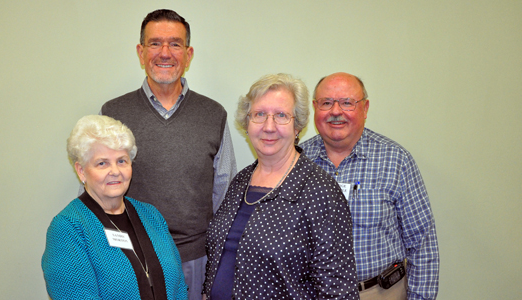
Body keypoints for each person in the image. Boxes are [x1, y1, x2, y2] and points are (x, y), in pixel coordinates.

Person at [99, 9, 236, 300]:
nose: (165, 53)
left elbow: (224, 191)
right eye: (155, 43)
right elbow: (98, 191)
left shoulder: (213, 114)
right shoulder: (113, 114)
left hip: (195, 259)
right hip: (131, 256)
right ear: (140, 52)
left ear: (188, 54)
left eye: (175, 44)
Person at [203, 74, 359, 299]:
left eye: (281, 116)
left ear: (297, 126)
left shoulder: (321, 192)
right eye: (259, 115)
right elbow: (220, 257)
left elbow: (337, 290)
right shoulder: (241, 182)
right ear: (247, 123)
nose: (269, 126)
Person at [300, 72, 439, 300]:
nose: (336, 111)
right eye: (326, 103)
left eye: (347, 103)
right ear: (315, 107)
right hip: (314, 293)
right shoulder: (296, 163)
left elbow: (422, 243)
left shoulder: (396, 160)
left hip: (380, 292)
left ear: (365, 109)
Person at [42, 115, 187, 300]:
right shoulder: (68, 228)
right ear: (81, 171)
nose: (115, 171)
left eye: (121, 161)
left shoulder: (151, 215)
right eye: (102, 163)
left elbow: (179, 286)